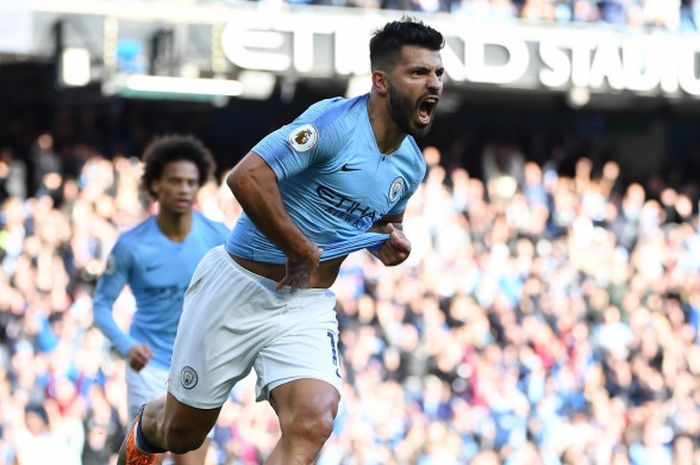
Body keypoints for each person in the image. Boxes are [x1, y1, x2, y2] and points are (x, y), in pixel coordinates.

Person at [117, 17, 444, 465]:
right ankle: (144, 430)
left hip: (306, 304)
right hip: (238, 289)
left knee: (315, 420)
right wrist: (297, 246)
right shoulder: (333, 125)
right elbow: (247, 177)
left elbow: (378, 224)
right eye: (419, 73)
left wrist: (386, 243)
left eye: (438, 73)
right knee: (182, 434)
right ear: (381, 81)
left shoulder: (411, 166)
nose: (434, 83)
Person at [93, 135, 229, 465]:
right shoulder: (131, 244)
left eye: (191, 182)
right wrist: (126, 346)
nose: (184, 189)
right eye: (175, 181)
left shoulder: (218, 236)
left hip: (197, 367)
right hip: (149, 366)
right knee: (148, 457)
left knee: (190, 460)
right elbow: (100, 305)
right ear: (156, 185)